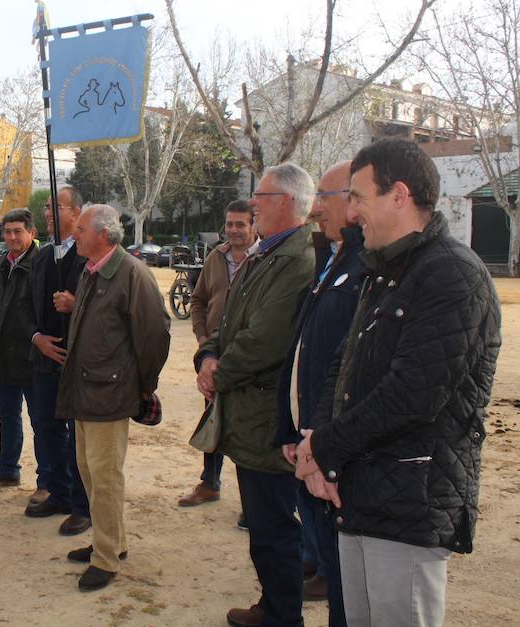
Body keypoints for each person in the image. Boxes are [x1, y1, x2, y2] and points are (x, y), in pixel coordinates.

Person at [295, 138, 501, 627]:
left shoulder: (452, 274)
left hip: (409, 502)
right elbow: (343, 366)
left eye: (359, 197)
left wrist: (324, 446)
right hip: (362, 494)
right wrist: (317, 441)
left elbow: (413, 394)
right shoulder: (385, 271)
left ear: (400, 195)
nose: (350, 211)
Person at [195, 163, 316, 627]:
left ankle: (283, 616)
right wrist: (208, 355)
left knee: (273, 526)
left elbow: (267, 337)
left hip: (266, 414)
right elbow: (228, 323)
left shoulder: (294, 258)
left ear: (285, 202)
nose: (252, 204)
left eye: (260, 196)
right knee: (264, 525)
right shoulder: (269, 253)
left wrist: (219, 373)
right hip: (249, 411)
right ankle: (273, 605)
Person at [57, 204, 171, 591]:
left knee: (105, 476)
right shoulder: (92, 270)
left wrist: (142, 384)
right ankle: (112, 542)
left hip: (109, 392)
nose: (75, 234)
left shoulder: (130, 273)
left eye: (82, 229)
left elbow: (155, 333)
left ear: (103, 235)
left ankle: (105, 560)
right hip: (86, 389)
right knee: (89, 471)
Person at [272, 161, 362, 625]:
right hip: (309, 444)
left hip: (331, 449)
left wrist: (320, 441)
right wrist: (290, 429)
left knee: (348, 589)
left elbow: (349, 369)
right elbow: (302, 347)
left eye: (326, 196)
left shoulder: (365, 267)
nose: (317, 208)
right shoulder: (332, 260)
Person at [180, 200, 257, 526]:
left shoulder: (265, 260)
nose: (234, 230)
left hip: (250, 358)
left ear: (254, 226)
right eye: (230, 224)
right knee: (212, 417)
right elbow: (197, 300)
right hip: (213, 357)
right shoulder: (215, 258)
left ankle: (252, 503)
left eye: (241, 224)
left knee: (246, 428)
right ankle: (209, 483)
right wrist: (203, 341)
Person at [24, 185, 91, 536]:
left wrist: (75, 303)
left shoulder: (88, 257)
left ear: (76, 212)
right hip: (44, 361)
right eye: (47, 207)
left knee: (79, 435)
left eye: (57, 206)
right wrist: (37, 338)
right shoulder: (41, 257)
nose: (50, 212)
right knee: (47, 428)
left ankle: (83, 504)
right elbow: (26, 305)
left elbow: (106, 308)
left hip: (77, 361)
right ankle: (59, 492)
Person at [0, 209, 38, 493]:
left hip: (32, 358)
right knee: (8, 417)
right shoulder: (2, 264)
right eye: (8, 231)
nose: (12, 237)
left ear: (32, 233)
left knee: (43, 423)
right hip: (3, 357)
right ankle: (7, 470)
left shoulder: (42, 265)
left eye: (18, 231)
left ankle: (47, 482)